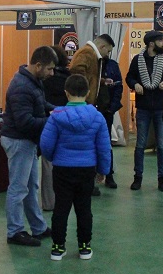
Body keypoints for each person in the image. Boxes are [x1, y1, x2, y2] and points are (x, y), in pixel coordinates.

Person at [40, 74, 111, 261]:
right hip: (87, 169)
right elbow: (104, 147)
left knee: (61, 208)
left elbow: (45, 144)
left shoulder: (56, 117)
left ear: (66, 92)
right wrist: (103, 170)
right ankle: (84, 247)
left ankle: (57, 247)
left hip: (62, 168)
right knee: (84, 209)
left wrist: (54, 157)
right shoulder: (97, 117)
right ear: (88, 92)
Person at [1, 46, 57, 247]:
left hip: (27, 142)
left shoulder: (34, 82)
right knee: (18, 188)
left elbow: (41, 105)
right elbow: (25, 122)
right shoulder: (22, 87)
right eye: (49, 69)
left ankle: (38, 227)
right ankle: (14, 231)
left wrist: (58, 110)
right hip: (19, 141)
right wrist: (52, 119)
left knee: (31, 186)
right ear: (38, 65)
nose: (52, 73)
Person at [125, 30, 163, 192]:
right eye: (161, 40)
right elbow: (129, 77)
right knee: (140, 144)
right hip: (143, 108)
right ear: (151, 43)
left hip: (161, 108)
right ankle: (137, 177)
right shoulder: (137, 60)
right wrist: (135, 85)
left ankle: (162, 179)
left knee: (162, 144)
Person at [70, 33, 123, 191]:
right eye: (108, 51)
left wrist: (100, 82)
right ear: (103, 47)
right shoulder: (87, 54)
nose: (108, 54)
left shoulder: (91, 55)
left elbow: (86, 75)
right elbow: (76, 73)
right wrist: (85, 95)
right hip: (84, 105)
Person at [41, 45, 70, 210]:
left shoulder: (44, 80)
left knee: (47, 163)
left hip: (47, 122)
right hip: (65, 124)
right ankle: (61, 199)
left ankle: (48, 202)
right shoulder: (69, 78)